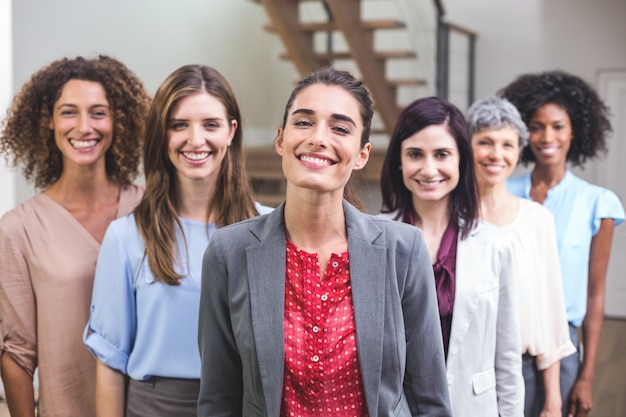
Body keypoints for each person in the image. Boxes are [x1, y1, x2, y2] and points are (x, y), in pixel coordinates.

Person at [197, 67, 452, 417]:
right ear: (280, 139)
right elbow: (218, 398)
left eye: (340, 128)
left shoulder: (402, 249)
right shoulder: (229, 253)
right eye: (303, 122)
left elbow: (429, 397)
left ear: (362, 154)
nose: (318, 137)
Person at [83, 64, 272, 417]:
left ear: (231, 132)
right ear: (162, 135)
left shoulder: (269, 229)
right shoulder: (125, 237)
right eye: (179, 125)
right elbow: (110, 362)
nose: (195, 140)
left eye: (210, 124)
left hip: (245, 403)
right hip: (155, 406)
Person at [0, 55, 150, 417]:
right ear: (48, 122)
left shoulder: (149, 210)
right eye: (69, 112)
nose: (85, 126)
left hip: (148, 409)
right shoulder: (19, 228)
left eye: (98, 112)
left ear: (118, 121)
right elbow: (17, 352)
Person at [379, 96, 524, 416]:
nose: (429, 169)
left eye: (442, 154)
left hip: (472, 407)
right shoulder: (376, 239)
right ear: (399, 161)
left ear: (461, 160)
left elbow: (508, 358)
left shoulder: (496, 244)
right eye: (415, 154)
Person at [501, 70, 625, 417]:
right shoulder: (501, 192)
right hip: (508, 337)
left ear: (575, 131)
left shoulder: (598, 202)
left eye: (557, 125)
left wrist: (587, 375)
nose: (546, 136)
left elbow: (595, 293)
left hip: (565, 342)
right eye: (536, 126)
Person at [466, 96, 576, 417]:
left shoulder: (537, 220)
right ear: (466, 146)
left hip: (523, 373)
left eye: (507, 145)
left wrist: (553, 402)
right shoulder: (450, 219)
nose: (496, 155)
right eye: (485, 142)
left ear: (518, 151)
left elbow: (551, 316)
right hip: (464, 372)